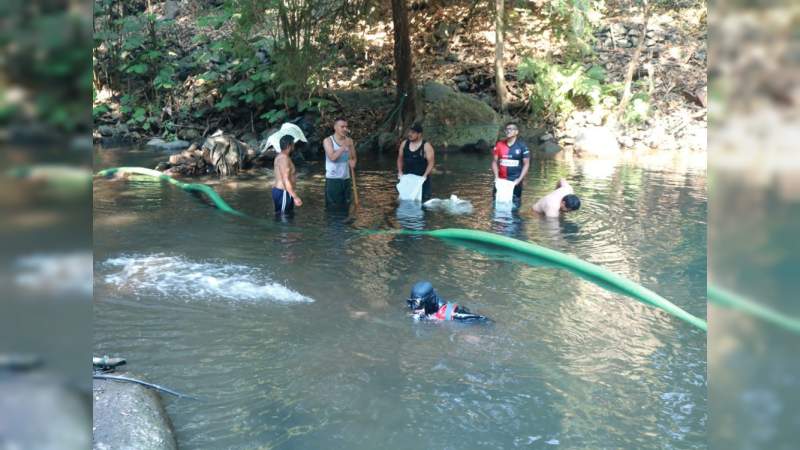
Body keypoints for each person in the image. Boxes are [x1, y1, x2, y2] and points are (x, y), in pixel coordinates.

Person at [405, 281, 488, 322]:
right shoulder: (430, 306)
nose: (414, 308)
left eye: (418, 305)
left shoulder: (451, 314)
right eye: (412, 303)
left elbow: (483, 319)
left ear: (428, 302)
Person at [491, 123, 530, 209]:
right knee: (496, 203)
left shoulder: (522, 146)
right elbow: (494, 162)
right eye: (507, 129)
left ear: (516, 132)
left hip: (515, 181)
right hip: (500, 181)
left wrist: (519, 180)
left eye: (511, 129)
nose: (508, 130)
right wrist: (496, 177)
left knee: (515, 205)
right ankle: (497, 222)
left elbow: (526, 164)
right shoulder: (499, 145)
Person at [322, 117, 357, 207]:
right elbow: (332, 157)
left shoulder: (350, 141)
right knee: (333, 208)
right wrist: (344, 145)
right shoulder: (328, 141)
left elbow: (353, 157)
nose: (345, 129)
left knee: (346, 206)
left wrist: (353, 162)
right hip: (333, 180)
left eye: (346, 127)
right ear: (335, 127)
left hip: (346, 179)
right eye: (342, 127)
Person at [397, 123, 435, 202]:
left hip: (422, 181)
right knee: (404, 203)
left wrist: (425, 176)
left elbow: (431, 163)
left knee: (423, 204)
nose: (410, 134)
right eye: (409, 132)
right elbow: (400, 158)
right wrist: (400, 172)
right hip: (407, 180)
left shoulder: (426, 146)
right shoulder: (404, 144)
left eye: (413, 132)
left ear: (419, 134)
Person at [272, 135, 303, 215]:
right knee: (283, 218)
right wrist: (295, 197)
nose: (294, 146)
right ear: (289, 145)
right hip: (284, 192)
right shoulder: (284, 158)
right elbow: (285, 179)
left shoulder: (282, 157)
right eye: (293, 144)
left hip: (284, 192)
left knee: (287, 216)